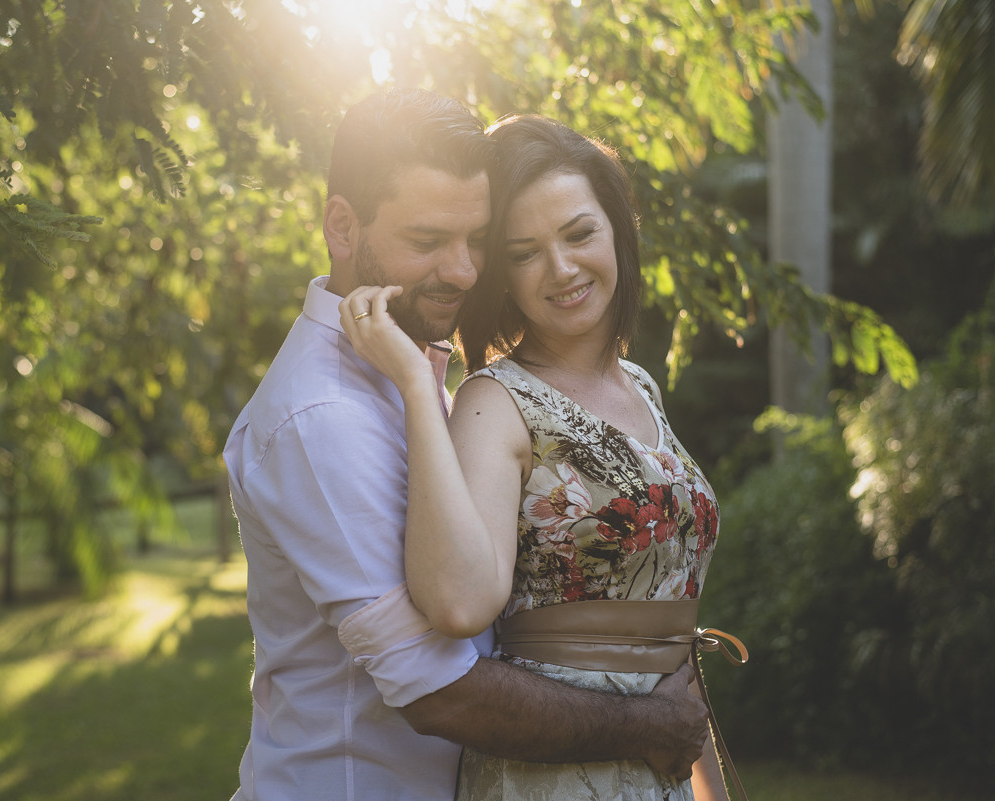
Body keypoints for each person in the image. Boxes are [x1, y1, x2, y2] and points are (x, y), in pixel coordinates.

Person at [224, 91, 711, 801]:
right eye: (427, 241)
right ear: (341, 224)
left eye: (476, 240)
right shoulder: (321, 417)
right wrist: (649, 726)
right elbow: (439, 691)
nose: (461, 271)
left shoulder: (405, 365)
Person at [339, 114, 743, 801]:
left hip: (663, 765)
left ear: (618, 231)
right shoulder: (495, 400)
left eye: (580, 234)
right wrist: (415, 381)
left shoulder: (639, 384)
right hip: (553, 770)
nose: (562, 269)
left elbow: (667, 628)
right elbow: (460, 601)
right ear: (503, 273)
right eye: (524, 252)